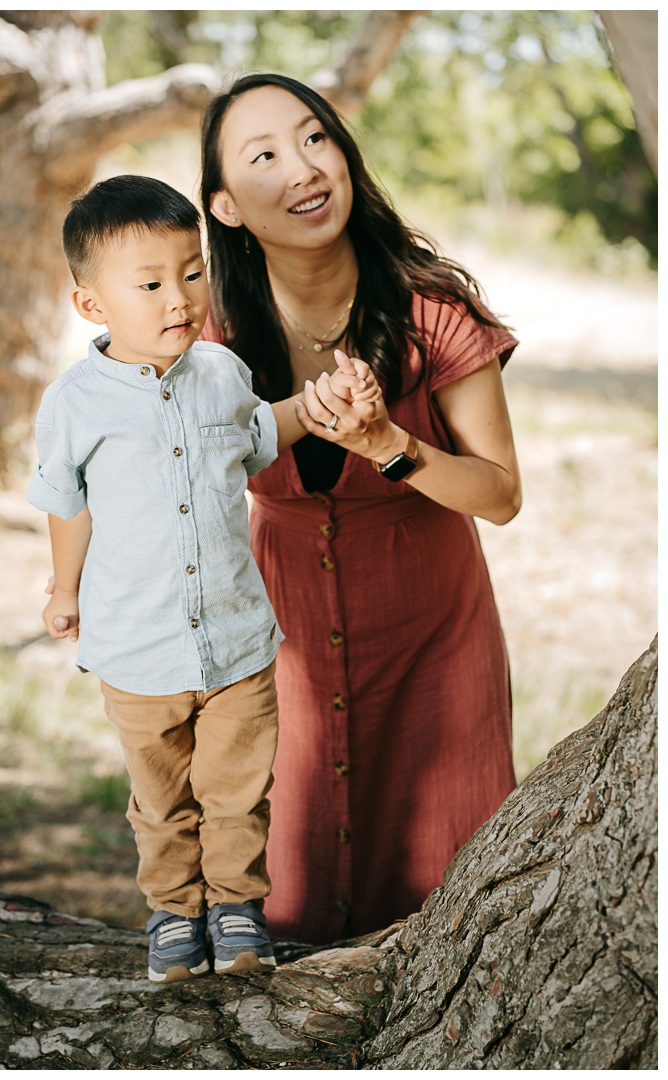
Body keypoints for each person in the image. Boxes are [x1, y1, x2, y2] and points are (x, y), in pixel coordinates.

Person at [28, 174, 380, 981]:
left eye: (192, 272)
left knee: (236, 790)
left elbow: (259, 434)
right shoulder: (76, 403)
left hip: (234, 638)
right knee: (161, 797)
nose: (179, 296)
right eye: (150, 283)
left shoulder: (220, 371)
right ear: (92, 305)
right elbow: (66, 503)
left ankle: (236, 911)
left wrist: (317, 401)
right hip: (136, 646)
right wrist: (62, 588)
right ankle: (172, 914)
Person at [199, 73, 523, 945]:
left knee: (447, 902)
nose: (303, 168)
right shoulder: (212, 339)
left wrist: (392, 444)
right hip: (283, 644)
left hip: (435, 641)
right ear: (227, 207)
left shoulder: (431, 313)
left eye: (315, 139)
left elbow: (501, 495)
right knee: (287, 905)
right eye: (264, 155)